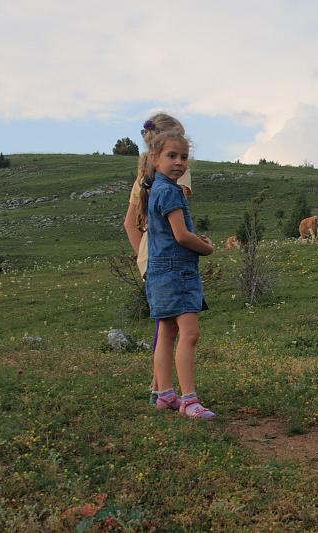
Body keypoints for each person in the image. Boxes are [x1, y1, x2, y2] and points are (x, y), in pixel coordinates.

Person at [140, 127, 216, 419]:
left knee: (167, 333)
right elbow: (182, 236)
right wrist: (206, 248)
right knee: (190, 333)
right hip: (177, 273)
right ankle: (189, 400)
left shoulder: (155, 189)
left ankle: (164, 394)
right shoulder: (170, 192)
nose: (179, 162)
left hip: (158, 273)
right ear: (155, 158)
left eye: (184, 157)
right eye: (172, 156)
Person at [123, 113, 193, 405]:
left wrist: (147, 259)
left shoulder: (143, 175)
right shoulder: (176, 176)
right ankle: (163, 390)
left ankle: (160, 389)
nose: (179, 159)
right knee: (173, 326)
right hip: (171, 256)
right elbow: (178, 222)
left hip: (151, 256)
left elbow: (130, 224)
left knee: (163, 324)